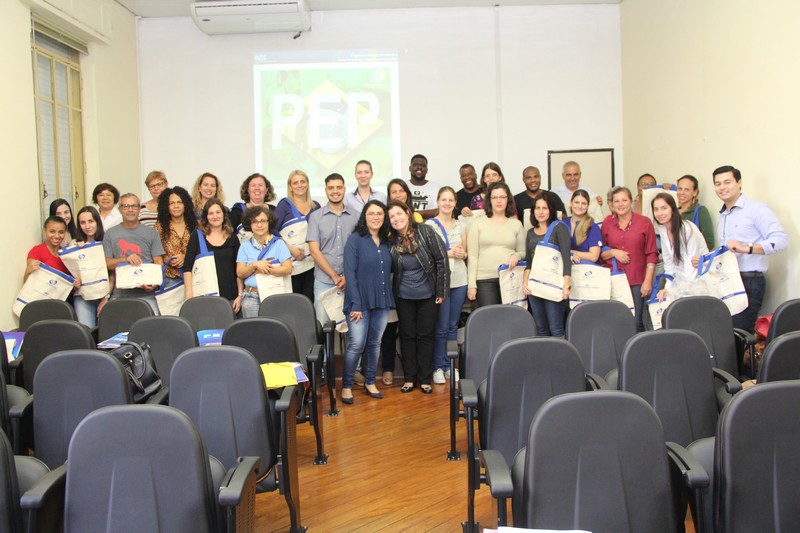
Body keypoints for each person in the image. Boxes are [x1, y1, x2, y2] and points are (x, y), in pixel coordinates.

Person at [712, 165, 788, 333]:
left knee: (738, 334)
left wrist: (747, 248)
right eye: (718, 184)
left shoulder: (756, 209)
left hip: (749, 280)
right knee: (724, 334)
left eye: (727, 182)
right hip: (727, 281)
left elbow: (781, 240)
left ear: (739, 183)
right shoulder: (722, 216)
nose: (722, 187)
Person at [388, 200, 449, 394]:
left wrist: (441, 291)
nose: (396, 219)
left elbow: (441, 259)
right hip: (403, 296)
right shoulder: (390, 240)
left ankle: (424, 378)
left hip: (428, 294)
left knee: (426, 335)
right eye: (392, 217)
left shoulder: (425, 232)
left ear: (407, 213)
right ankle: (409, 378)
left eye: (399, 214)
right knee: (407, 336)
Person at [341, 200, 394, 404]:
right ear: (364, 216)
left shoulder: (386, 240)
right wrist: (356, 303)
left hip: (381, 300)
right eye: (371, 213)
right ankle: (346, 386)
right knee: (356, 344)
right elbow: (349, 273)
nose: (376, 217)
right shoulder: (355, 239)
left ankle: (370, 381)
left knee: (375, 344)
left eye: (380, 213)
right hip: (358, 302)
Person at [600, 186, 658, 332]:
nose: (620, 204)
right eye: (616, 201)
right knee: (616, 321)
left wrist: (648, 280)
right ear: (611, 204)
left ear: (631, 201)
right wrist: (614, 252)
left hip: (637, 280)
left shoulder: (644, 222)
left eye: (624, 200)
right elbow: (600, 253)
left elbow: (651, 254)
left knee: (637, 321)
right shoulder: (607, 223)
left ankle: (637, 353)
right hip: (614, 279)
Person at [427, 187, 467, 384]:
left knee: (453, 325)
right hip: (440, 281)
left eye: (451, 200)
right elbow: (428, 255)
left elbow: (465, 251)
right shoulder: (430, 226)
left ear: (455, 202)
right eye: (444, 199)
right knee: (441, 326)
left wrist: (462, 254)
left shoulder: (462, 225)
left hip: (460, 279)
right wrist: (449, 253)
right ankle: (437, 367)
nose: (447, 203)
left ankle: (450, 365)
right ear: (437, 201)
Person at [307, 173, 358, 324]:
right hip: (324, 281)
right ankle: (325, 350)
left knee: (352, 329)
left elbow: (359, 251)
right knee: (322, 328)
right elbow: (314, 251)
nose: (335, 191)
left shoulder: (356, 216)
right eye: (331, 188)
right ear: (325, 190)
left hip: (351, 281)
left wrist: (347, 277)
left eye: (338, 187)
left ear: (344, 189)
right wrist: (335, 277)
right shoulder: (316, 217)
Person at [103, 193, 166, 313]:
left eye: (134, 206)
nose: (130, 210)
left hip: (147, 295)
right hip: (120, 294)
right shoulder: (110, 234)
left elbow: (158, 262)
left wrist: (154, 282)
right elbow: (107, 264)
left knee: (154, 326)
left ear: (139, 209)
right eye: (126, 206)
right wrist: (125, 259)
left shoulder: (151, 233)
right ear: (120, 209)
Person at [467, 182, 526, 307]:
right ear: (489, 200)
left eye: (502, 197)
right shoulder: (477, 223)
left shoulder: (516, 224)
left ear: (508, 200)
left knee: (510, 319)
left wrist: (517, 255)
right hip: (484, 280)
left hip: (510, 278)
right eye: (494, 197)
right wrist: (471, 285)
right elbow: (472, 256)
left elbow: (523, 252)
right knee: (490, 320)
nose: (499, 201)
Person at [522, 195, 572, 337]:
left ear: (551, 210)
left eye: (545, 208)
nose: (541, 211)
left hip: (554, 285)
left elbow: (566, 259)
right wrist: (525, 282)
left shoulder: (559, 227)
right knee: (541, 329)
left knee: (556, 329)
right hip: (535, 286)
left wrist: (566, 285)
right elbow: (529, 263)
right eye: (538, 208)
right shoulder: (530, 233)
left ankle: (560, 359)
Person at [184, 198, 243, 314]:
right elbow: (187, 268)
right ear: (206, 216)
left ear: (224, 215)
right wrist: (189, 296)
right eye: (211, 213)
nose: (215, 216)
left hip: (230, 298)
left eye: (218, 212)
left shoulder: (233, 238)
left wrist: (240, 295)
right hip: (204, 297)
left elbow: (239, 270)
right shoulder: (197, 236)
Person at [235, 205, 292, 318]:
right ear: (249, 225)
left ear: (268, 222)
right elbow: (240, 273)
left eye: (263, 221)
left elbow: (288, 269)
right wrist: (255, 265)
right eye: (255, 222)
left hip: (275, 296)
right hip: (251, 297)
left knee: (275, 333)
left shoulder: (279, 244)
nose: (259, 225)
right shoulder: (244, 247)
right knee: (253, 333)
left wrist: (265, 269)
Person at [651, 193, 708, 300]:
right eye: (656, 209)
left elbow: (690, 268)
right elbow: (669, 265)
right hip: (680, 283)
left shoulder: (686, 229)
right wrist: (667, 289)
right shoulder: (663, 229)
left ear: (672, 209)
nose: (659, 213)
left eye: (664, 208)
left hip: (697, 283)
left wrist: (673, 291)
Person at [274, 170, 319, 302]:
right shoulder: (284, 206)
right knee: (294, 303)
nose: (299, 185)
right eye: (295, 183)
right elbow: (272, 231)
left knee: (310, 300)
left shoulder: (316, 207)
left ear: (308, 184)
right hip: (292, 264)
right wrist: (290, 249)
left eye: (302, 182)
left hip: (312, 264)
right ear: (290, 187)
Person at [71, 206, 109, 327]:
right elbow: (72, 273)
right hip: (83, 296)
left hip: (105, 294)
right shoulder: (74, 244)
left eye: (91, 221)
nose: (87, 226)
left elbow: (112, 272)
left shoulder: (108, 241)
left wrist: (106, 297)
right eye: (83, 222)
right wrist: (78, 250)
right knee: (86, 332)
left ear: (97, 221)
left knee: (106, 333)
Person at [154, 186, 197, 290]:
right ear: (166, 206)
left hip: (194, 278)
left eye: (179, 202)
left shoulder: (196, 226)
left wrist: (185, 257)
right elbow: (156, 253)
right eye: (172, 203)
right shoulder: (159, 227)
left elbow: (201, 250)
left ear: (185, 204)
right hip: (169, 280)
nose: (176, 206)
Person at [25, 216, 75, 281]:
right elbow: (28, 282)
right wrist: (28, 271)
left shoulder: (65, 253)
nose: (57, 236)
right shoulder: (37, 251)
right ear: (45, 230)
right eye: (52, 231)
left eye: (61, 232)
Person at [676, 174, 715, 250]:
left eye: (687, 189)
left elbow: (709, 243)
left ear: (695, 192)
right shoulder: (672, 213)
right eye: (680, 188)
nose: (682, 192)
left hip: (693, 259)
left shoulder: (701, 211)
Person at [565, 190, 603, 263]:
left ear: (588, 206)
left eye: (584, 203)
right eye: (577, 202)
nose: (580, 206)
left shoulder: (593, 227)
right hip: (565, 270)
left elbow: (594, 256)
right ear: (571, 203)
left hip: (587, 271)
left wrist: (569, 252)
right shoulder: (562, 224)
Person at [407, 154, 441, 219]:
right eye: (416, 165)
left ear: (427, 170)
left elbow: (440, 210)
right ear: (410, 168)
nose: (419, 167)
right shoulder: (403, 186)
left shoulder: (435, 187)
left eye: (423, 165)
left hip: (430, 226)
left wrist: (415, 213)